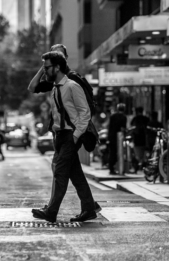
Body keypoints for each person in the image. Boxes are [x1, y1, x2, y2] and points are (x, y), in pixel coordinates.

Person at [31, 51, 99, 223]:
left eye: (47, 68)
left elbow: (85, 113)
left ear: (57, 67)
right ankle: (89, 208)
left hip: (70, 135)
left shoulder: (72, 86)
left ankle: (51, 211)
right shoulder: (55, 88)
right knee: (75, 174)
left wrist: (75, 137)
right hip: (60, 136)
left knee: (60, 172)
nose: (45, 71)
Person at [107, 103, 127, 175]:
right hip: (119, 138)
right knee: (120, 153)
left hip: (112, 137)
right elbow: (123, 128)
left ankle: (111, 168)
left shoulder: (113, 116)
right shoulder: (123, 117)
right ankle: (119, 168)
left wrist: (108, 137)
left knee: (112, 153)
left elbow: (109, 128)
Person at [129, 107, 150, 171]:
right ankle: (142, 165)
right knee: (144, 154)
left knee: (137, 154)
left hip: (137, 139)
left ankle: (139, 165)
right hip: (145, 139)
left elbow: (132, 127)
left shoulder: (135, 119)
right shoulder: (146, 119)